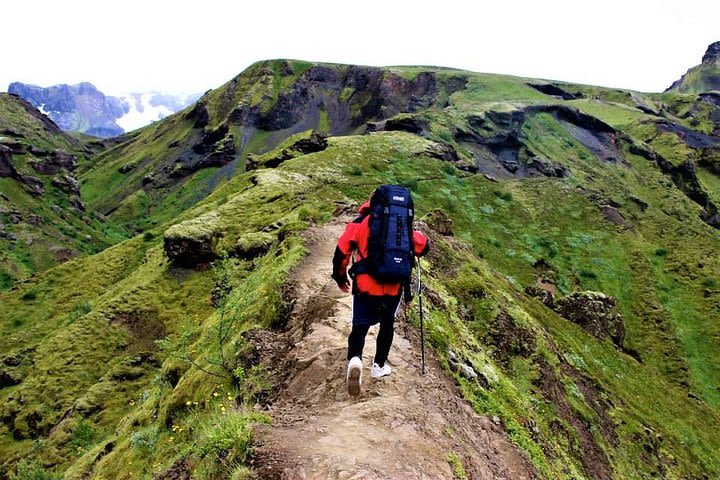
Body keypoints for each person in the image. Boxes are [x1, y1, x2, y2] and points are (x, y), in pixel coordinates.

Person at [331, 186, 429, 396]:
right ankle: (379, 366)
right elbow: (423, 246)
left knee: (360, 326)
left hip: (366, 285)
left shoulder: (360, 223)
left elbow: (341, 252)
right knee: (387, 325)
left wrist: (340, 277)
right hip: (393, 287)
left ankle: (355, 359)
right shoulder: (401, 224)